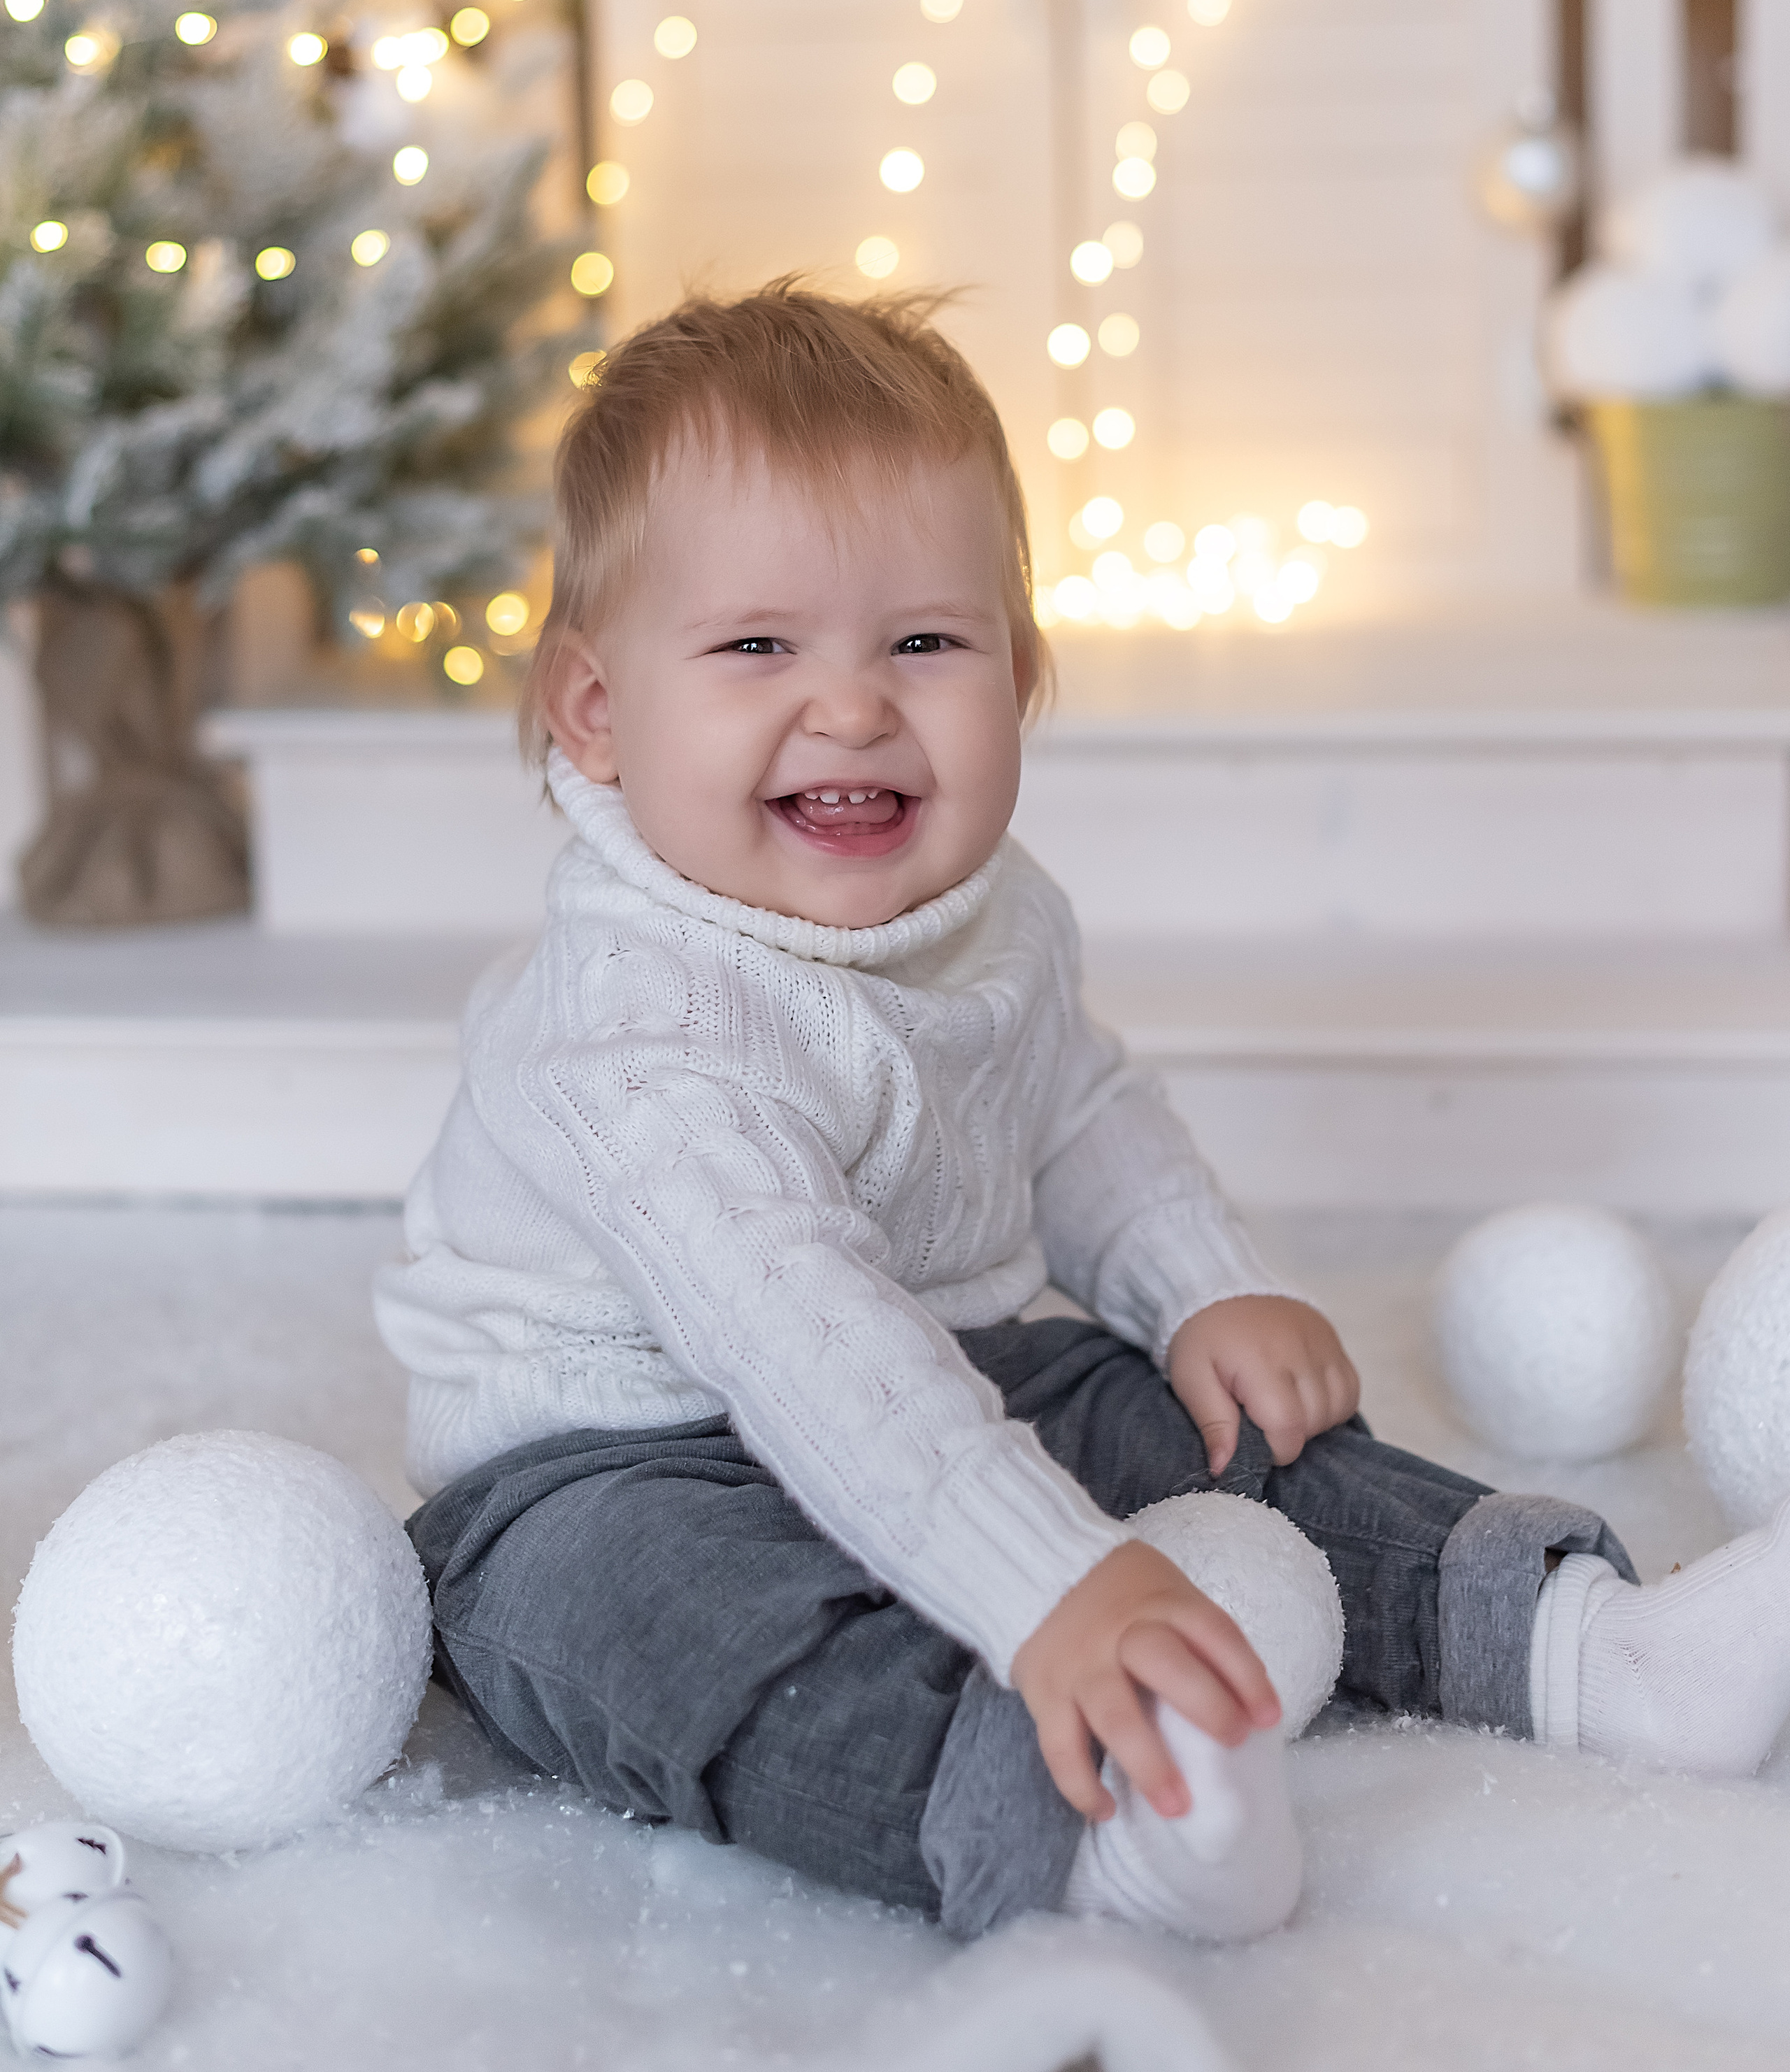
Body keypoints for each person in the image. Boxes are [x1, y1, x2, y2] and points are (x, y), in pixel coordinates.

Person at [375, 281, 1790, 1943]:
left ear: (1020, 678)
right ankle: (1084, 1822)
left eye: (924, 642)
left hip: (941, 1345)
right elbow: (802, 1342)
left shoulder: (994, 912)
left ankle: (1580, 1650)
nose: (848, 706)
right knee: (676, 1630)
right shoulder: (634, 1033)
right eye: (756, 645)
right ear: (599, 713)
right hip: (603, 1455)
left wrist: (1202, 1283)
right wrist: (1050, 1589)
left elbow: (1074, 1102)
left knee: (1193, 1421)